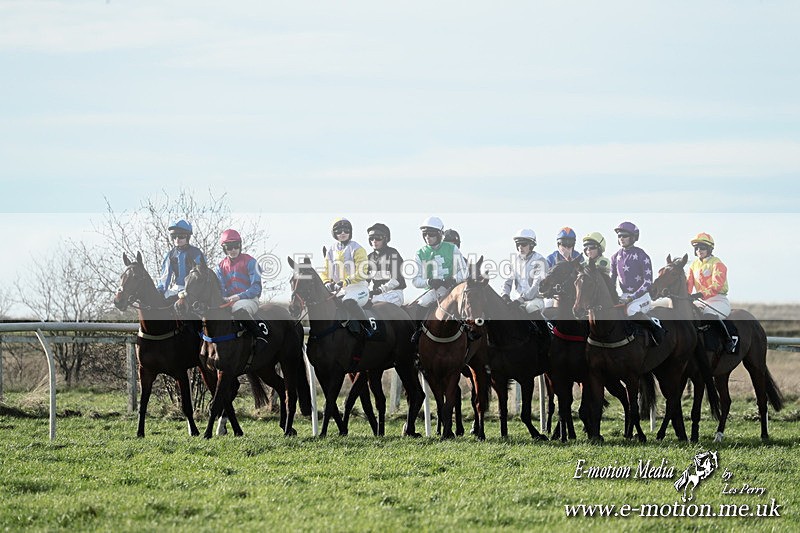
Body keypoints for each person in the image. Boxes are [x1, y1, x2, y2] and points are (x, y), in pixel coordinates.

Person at [610, 221, 663, 344]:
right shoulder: (614, 257)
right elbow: (611, 281)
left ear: (633, 237)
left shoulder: (642, 255)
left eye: (625, 235)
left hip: (641, 297)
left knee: (631, 311)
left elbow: (648, 282)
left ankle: (656, 330)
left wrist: (632, 297)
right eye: (619, 236)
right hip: (624, 296)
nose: (621, 238)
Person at [407, 216, 468, 320]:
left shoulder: (452, 248)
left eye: (431, 234)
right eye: (424, 234)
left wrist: (453, 280)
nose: (427, 237)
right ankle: (418, 332)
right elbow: (415, 281)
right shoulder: (420, 254)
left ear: (440, 234)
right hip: (434, 291)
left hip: (453, 289)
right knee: (421, 304)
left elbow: (464, 272)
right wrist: (429, 282)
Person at [687, 232, 737, 352]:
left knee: (709, 315)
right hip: (700, 301)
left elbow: (717, 285)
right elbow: (688, 284)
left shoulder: (717, 263)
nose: (699, 250)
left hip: (718, 300)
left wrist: (700, 294)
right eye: (697, 248)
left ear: (709, 248)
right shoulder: (693, 265)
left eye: (702, 247)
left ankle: (728, 341)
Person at [321, 218, 371, 338]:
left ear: (350, 232)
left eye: (346, 230)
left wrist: (346, 281)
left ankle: (368, 329)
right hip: (340, 290)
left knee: (347, 302)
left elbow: (362, 271)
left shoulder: (357, 248)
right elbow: (325, 271)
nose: (343, 233)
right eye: (339, 231)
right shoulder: (330, 250)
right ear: (334, 234)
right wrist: (327, 281)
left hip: (358, 288)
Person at [214, 229, 268, 342]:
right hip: (229, 301)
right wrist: (224, 298)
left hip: (250, 299)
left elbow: (256, 288)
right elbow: (222, 288)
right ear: (224, 248)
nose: (233, 250)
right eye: (229, 247)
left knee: (239, 310)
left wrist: (238, 297)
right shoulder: (220, 266)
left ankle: (260, 338)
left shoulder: (251, 262)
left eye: (236, 246)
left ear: (240, 245)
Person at [156, 219, 206, 304]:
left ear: (188, 237)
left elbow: (202, 275)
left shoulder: (196, 253)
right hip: (177, 288)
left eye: (181, 236)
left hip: (194, 289)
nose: (177, 239)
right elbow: (165, 277)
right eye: (174, 236)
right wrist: (160, 290)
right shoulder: (170, 255)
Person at [501, 229, 548, 314]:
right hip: (517, 300)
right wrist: (505, 295)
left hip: (535, 300)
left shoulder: (540, 261)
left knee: (531, 307)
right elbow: (507, 282)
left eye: (523, 244)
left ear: (531, 245)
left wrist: (521, 299)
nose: (520, 247)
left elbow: (536, 286)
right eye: (518, 244)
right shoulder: (513, 261)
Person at [366, 222, 406, 306]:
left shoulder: (393, 254)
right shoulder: (369, 258)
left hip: (394, 293)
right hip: (377, 295)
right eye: (371, 238)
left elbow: (396, 280)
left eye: (378, 238)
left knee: (372, 303)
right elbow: (365, 281)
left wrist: (380, 290)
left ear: (386, 239)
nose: (374, 241)